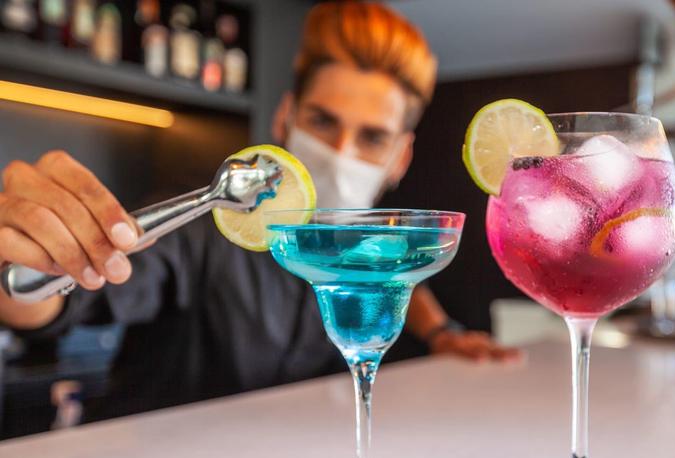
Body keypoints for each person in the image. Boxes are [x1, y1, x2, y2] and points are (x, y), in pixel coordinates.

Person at [0, 2, 517, 420]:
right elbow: (77, 297)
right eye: (322, 121)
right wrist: (28, 258)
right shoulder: (203, 222)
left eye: (372, 137)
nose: (340, 151)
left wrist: (440, 333)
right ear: (285, 117)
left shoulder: (365, 244)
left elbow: (399, 279)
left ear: (400, 157)